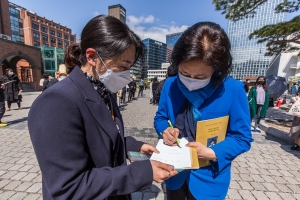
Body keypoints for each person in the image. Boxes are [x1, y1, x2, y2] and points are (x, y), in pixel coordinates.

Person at [28, 15, 178, 200]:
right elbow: (68, 187)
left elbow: (100, 137)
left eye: (129, 68)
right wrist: (142, 172)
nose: (127, 75)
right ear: (92, 57)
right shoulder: (56, 101)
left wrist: (133, 145)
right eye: (123, 66)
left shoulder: (103, 89)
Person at [154, 22, 253, 200]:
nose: (191, 81)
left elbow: (242, 137)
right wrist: (164, 130)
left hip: (209, 178)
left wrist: (212, 153)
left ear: (217, 69)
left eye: (200, 76)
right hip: (174, 172)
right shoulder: (170, 85)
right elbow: (161, 117)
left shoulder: (233, 89)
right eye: (184, 73)